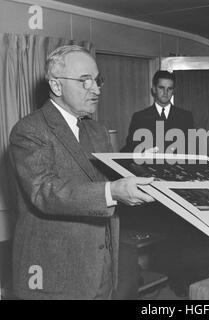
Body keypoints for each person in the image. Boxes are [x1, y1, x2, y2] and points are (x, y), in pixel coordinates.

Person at [9, 45, 154, 300]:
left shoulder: (96, 130)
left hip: (101, 269)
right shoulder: (29, 130)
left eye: (97, 80)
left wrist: (137, 165)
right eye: (84, 81)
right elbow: (45, 192)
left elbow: (98, 178)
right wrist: (113, 192)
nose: (96, 90)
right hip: (55, 276)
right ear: (56, 86)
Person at [121, 70, 193, 153]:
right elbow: (130, 149)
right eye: (161, 88)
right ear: (154, 89)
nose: (165, 92)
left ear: (173, 91)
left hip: (177, 165)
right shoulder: (139, 117)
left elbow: (191, 150)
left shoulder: (185, 117)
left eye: (169, 89)